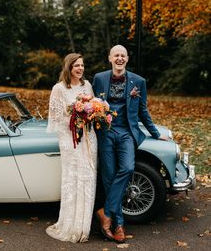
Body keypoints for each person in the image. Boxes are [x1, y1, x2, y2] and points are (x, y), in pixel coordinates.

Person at [92, 45, 168, 243]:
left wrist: (155, 133)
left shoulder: (138, 82)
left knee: (127, 168)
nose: (119, 58)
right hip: (106, 133)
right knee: (108, 177)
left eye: (122, 56)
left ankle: (105, 211)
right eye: (116, 55)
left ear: (127, 59)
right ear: (110, 58)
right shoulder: (99, 79)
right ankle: (118, 223)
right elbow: (92, 106)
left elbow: (143, 111)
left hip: (127, 132)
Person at [46, 53, 97, 243]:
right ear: (69, 67)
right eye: (77, 65)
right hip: (70, 140)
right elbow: (55, 118)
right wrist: (76, 119)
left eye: (82, 65)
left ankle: (84, 226)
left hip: (89, 138)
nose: (80, 69)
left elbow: (92, 107)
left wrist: (91, 116)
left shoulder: (87, 85)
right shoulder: (58, 89)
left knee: (88, 178)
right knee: (73, 180)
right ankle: (71, 225)